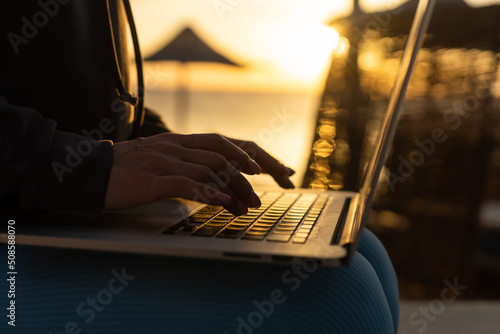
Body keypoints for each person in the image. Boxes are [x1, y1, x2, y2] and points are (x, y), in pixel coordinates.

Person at [0, 1, 399, 333]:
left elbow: (83, 93)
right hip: (15, 232)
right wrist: (74, 164)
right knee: (335, 295)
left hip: (61, 207)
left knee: (363, 246)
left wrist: (169, 147)